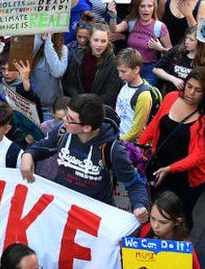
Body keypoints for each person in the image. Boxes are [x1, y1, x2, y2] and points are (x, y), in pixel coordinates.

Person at [21, 93, 150, 223]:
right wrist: (28, 155)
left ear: (87, 127)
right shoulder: (62, 131)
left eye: (70, 118)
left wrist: (139, 205)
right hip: (61, 208)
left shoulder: (112, 149)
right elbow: (41, 147)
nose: (64, 120)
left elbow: (134, 184)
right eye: (66, 115)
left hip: (92, 218)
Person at [137, 67, 205, 231]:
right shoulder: (170, 98)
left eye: (198, 90)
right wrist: (139, 145)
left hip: (187, 179)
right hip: (159, 166)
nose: (191, 93)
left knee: (180, 216)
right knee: (158, 210)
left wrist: (171, 169)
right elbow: (156, 124)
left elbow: (201, 155)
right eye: (189, 86)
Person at [62, 23, 122, 107]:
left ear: (108, 41)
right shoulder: (78, 55)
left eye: (103, 41)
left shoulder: (113, 62)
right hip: (78, 105)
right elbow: (71, 84)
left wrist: (90, 105)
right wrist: (80, 101)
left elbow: (110, 93)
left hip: (99, 108)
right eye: (96, 40)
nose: (99, 45)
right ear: (90, 39)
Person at [115, 48, 161, 143]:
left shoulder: (143, 95)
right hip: (118, 136)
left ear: (136, 69)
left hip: (129, 145)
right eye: (118, 71)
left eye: (123, 71)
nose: (119, 75)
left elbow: (137, 130)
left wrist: (118, 142)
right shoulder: (125, 84)